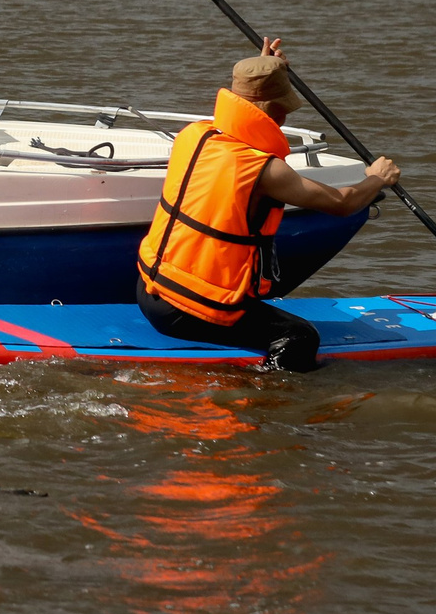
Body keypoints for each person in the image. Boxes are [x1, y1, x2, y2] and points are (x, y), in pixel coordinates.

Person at [135, 40, 400, 372]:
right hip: (189, 310)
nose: (287, 114)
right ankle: (267, 398)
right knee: (300, 337)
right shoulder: (264, 170)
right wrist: (377, 178)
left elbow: (248, 109)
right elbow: (341, 203)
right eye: (284, 105)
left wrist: (265, 72)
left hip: (148, 291)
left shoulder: (194, 135)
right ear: (276, 109)